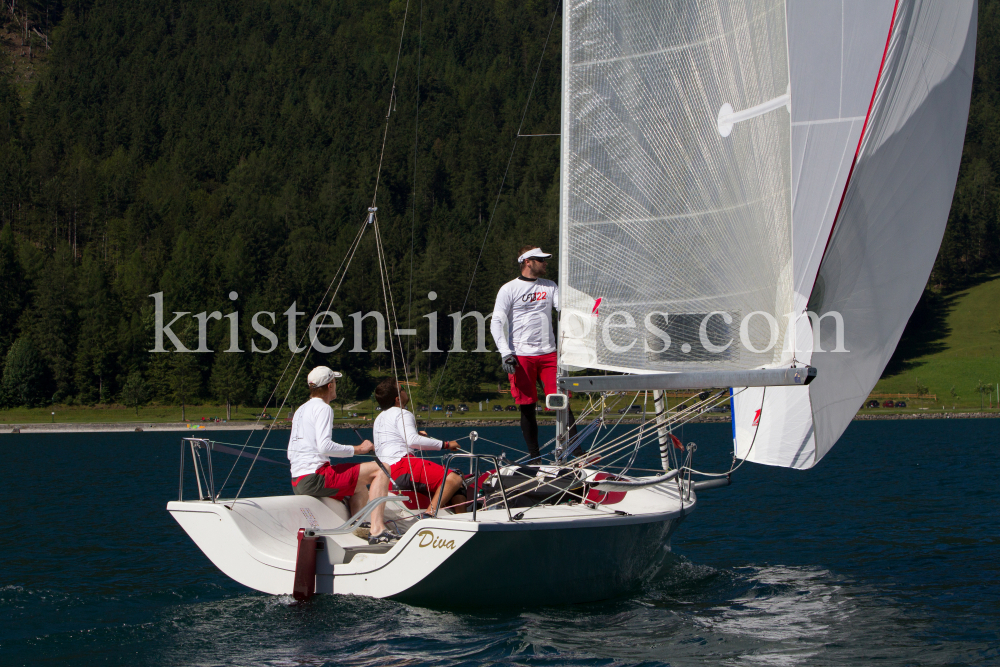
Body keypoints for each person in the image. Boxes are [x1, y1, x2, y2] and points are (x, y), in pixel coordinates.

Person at [489, 246, 579, 459]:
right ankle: (534, 457)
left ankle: (577, 452)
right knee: (527, 406)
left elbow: (563, 309)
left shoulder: (550, 286)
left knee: (561, 402)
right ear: (527, 261)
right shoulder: (509, 289)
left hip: (548, 354)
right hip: (521, 355)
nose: (546, 263)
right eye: (541, 260)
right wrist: (505, 352)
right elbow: (496, 322)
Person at [287, 366, 387, 523]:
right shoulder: (323, 408)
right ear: (330, 385)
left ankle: (359, 525)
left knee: (359, 488)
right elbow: (324, 446)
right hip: (315, 478)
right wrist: (360, 449)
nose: (336, 385)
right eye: (335, 381)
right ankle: (378, 528)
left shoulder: (301, 410)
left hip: (297, 481)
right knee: (382, 469)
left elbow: (291, 452)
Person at [369, 378, 465, 529]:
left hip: (385, 473)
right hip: (402, 465)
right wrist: (446, 444)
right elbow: (412, 441)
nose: (405, 391)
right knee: (455, 478)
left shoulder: (379, 418)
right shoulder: (403, 413)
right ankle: (429, 516)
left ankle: (461, 521)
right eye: (402, 389)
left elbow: (395, 438)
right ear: (397, 398)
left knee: (454, 482)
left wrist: (418, 434)